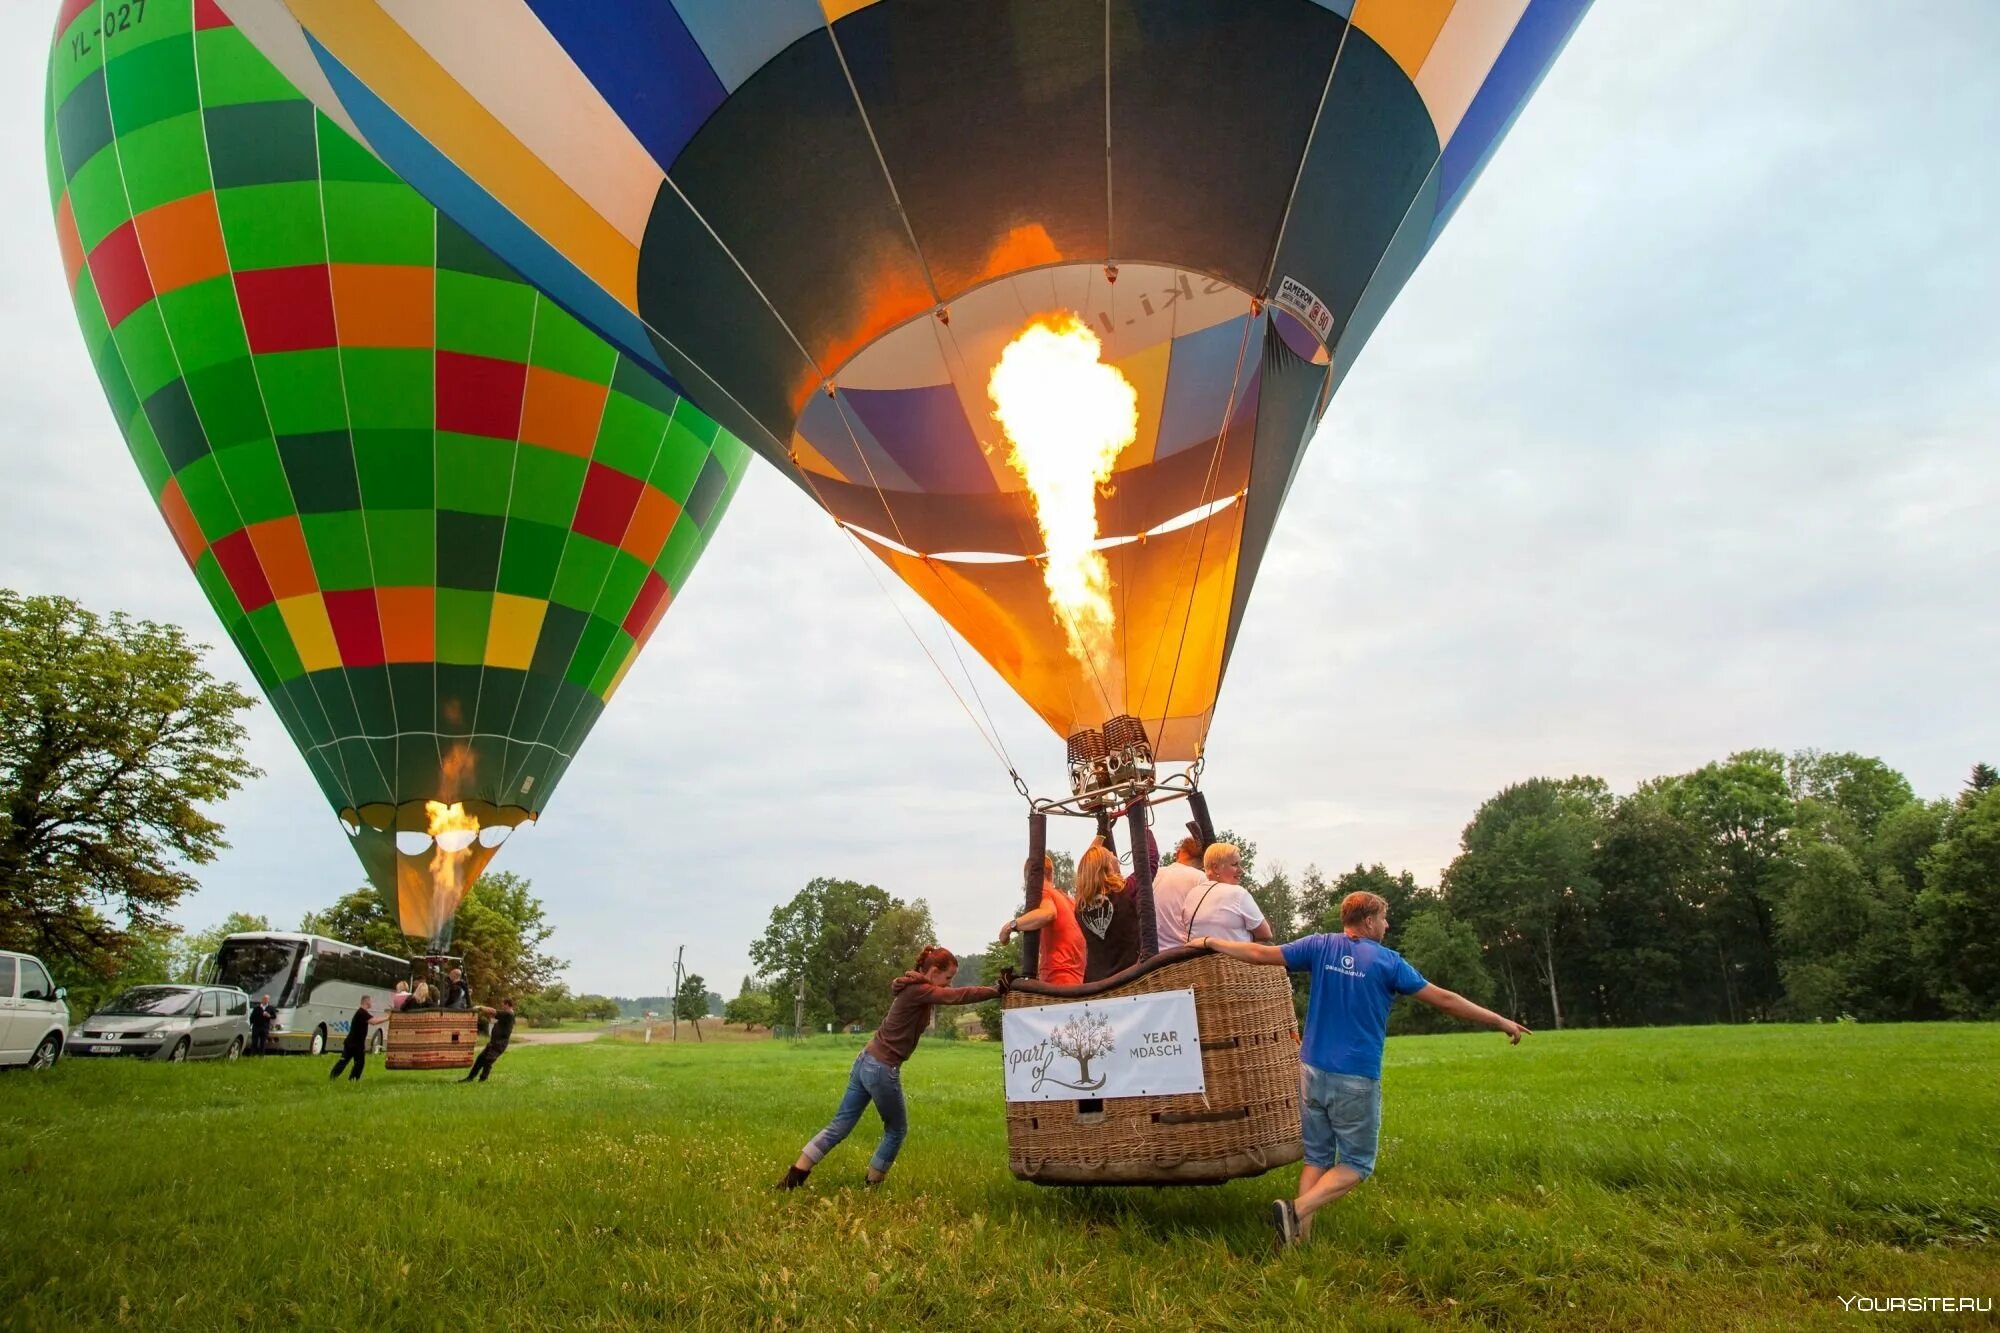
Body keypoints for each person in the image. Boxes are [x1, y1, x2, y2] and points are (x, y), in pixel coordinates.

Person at [1196, 890, 1530, 1248]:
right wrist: (1499, 1020)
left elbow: (1260, 954)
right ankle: (1296, 1210)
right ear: (1368, 921)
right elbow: (1446, 1001)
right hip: (1354, 1077)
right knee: (1356, 1165)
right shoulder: (1388, 963)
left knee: (1317, 1158)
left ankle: (1296, 1242)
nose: (1387, 926)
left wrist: (1212, 942)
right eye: (1384, 919)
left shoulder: (1319, 946)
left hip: (1310, 1071)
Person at [780, 947, 1004, 1189]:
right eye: (948, 978)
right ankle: (871, 1186)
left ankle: (793, 1180)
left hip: (865, 1060)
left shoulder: (913, 987)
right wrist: (996, 990)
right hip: (881, 1067)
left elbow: (951, 994)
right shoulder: (919, 990)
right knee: (896, 1130)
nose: (950, 984)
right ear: (934, 971)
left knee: (839, 1125)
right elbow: (959, 996)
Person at [998, 852, 1086, 985]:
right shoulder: (1069, 900)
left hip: (1058, 976)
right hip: (1078, 978)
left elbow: (1047, 914)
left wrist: (1011, 926)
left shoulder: (1043, 890)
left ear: (1029, 877)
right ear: (1052, 874)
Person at [1180, 843, 1273, 944]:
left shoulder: (1192, 894)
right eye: (1234, 865)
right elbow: (1266, 934)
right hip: (1232, 958)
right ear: (1216, 868)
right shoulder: (1238, 893)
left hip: (1198, 959)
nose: (1241, 870)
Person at [1075, 837, 1140, 981]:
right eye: (1110, 854)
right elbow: (1150, 862)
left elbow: (1088, 863)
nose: (1113, 853)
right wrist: (1145, 828)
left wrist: (1102, 832)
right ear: (1107, 867)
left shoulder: (1080, 907)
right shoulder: (1125, 890)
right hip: (1128, 979)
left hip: (1095, 983)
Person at [1152, 835, 1208, 948]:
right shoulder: (1201, 878)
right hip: (1185, 952)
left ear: (1178, 853)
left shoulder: (1155, 874)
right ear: (1203, 862)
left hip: (1155, 954)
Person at [327, 995, 388, 1082]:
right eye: (370, 1001)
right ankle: (353, 1079)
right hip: (356, 1044)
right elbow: (374, 1021)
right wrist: (387, 1018)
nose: (371, 1003)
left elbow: (373, 1019)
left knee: (344, 1061)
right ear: (366, 1002)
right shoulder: (362, 1012)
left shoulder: (361, 1012)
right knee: (359, 1063)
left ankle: (333, 1076)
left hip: (351, 1042)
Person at [461, 998, 516, 1083]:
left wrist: (480, 1007)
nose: (502, 1006)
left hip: (500, 1043)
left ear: (507, 1005)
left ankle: (482, 1079)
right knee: (480, 1059)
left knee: (488, 1060)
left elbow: (493, 1011)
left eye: (503, 1004)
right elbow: (492, 1015)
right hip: (493, 1043)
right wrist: (484, 1012)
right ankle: (470, 1078)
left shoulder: (509, 1014)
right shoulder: (506, 1015)